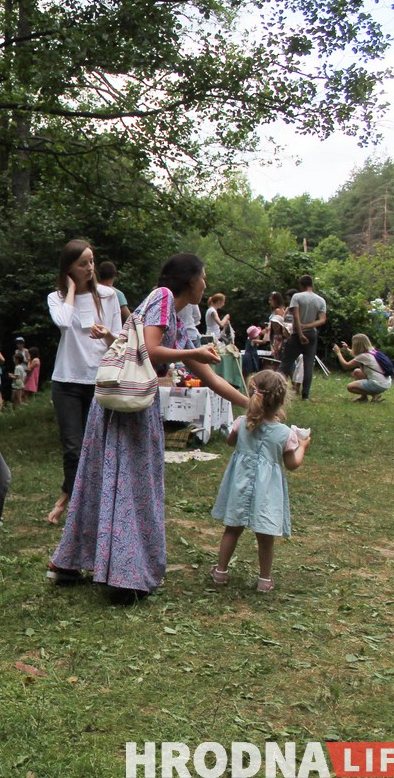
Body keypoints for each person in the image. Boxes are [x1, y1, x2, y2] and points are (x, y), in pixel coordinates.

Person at [46, 253, 250, 598]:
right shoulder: (164, 297)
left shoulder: (177, 317)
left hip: (128, 405)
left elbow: (209, 376)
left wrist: (250, 404)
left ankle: (71, 564)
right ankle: (124, 578)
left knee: (104, 480)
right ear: (189, 279)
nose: (205, 284)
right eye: (203, 277)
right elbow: (153, 351)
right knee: (130, 486)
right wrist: (191, 355)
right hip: (129, 406)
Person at [209, 370, 310, 593]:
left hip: (240, 484)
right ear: (281, 401)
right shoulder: (285, 434)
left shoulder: (242, 423)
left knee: (232, 529)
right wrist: (302, 446)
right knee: (265, 537)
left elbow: (230, 442)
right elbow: (292, 464)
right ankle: (264, 580)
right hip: (267, 490)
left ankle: (221, 572)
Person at [46, 239, 123, 524]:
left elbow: (121, 338)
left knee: (100, 445)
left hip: (99, 380)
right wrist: (72, 291)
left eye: (92, 261)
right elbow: (64, 323)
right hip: (66, 380)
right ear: (69, 268)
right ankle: (77, 504)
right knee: (72, 447)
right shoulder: (56, 297)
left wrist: (107, 335)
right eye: (83, 263)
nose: (90, 267)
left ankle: (82, 501)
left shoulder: (108, 296)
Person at [279, 275, 327, 400]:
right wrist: (308, 326)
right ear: (312, 284)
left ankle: (276, 388)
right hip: (312, 333)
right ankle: (305, 395)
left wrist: (300, 333)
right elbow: (322, 320)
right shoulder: (320, 300)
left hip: (297, 334)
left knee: (285, 363)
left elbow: (296, 316)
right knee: (308, 365)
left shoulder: (297, 297)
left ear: (301, 285)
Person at [332, 334, 392, 402]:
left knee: (350, 387)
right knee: (357, 372)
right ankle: (364, 398)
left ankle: (375, 394)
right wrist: (347, 349)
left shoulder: (363, 356)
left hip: (378, 384)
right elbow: (357, 355)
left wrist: (338, 353)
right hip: (385, 382)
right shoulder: (372, 351)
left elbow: (346, 366)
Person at [266, 292, 289, 359]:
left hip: (277, 336)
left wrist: (277, 343)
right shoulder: (276, 310)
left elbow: (279, 325)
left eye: (271, 300)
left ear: (276, 300)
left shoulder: (278, 310)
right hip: (274, 335)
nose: (269, 302)